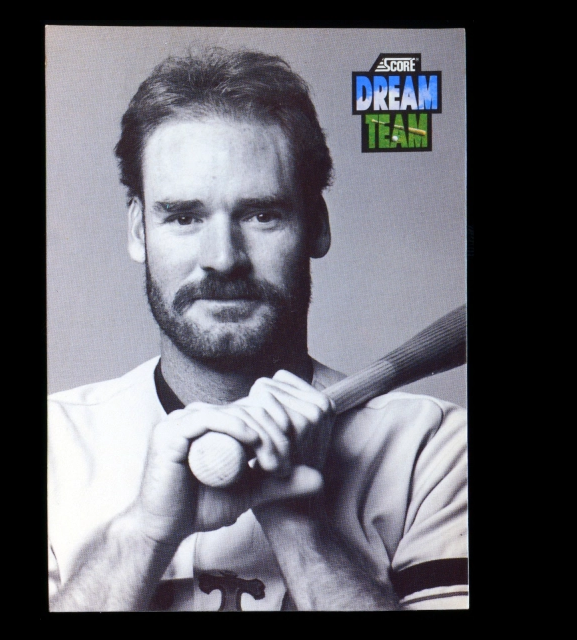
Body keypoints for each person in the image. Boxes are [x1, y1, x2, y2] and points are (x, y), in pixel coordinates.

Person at [47, 47, 468, 611]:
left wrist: (297, 523)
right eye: (184, 216)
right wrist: (143, 535)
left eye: (262, 214)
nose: (223, 259)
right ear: (139, 229)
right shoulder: (55, 444)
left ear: (316, 225)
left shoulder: (432, 449)